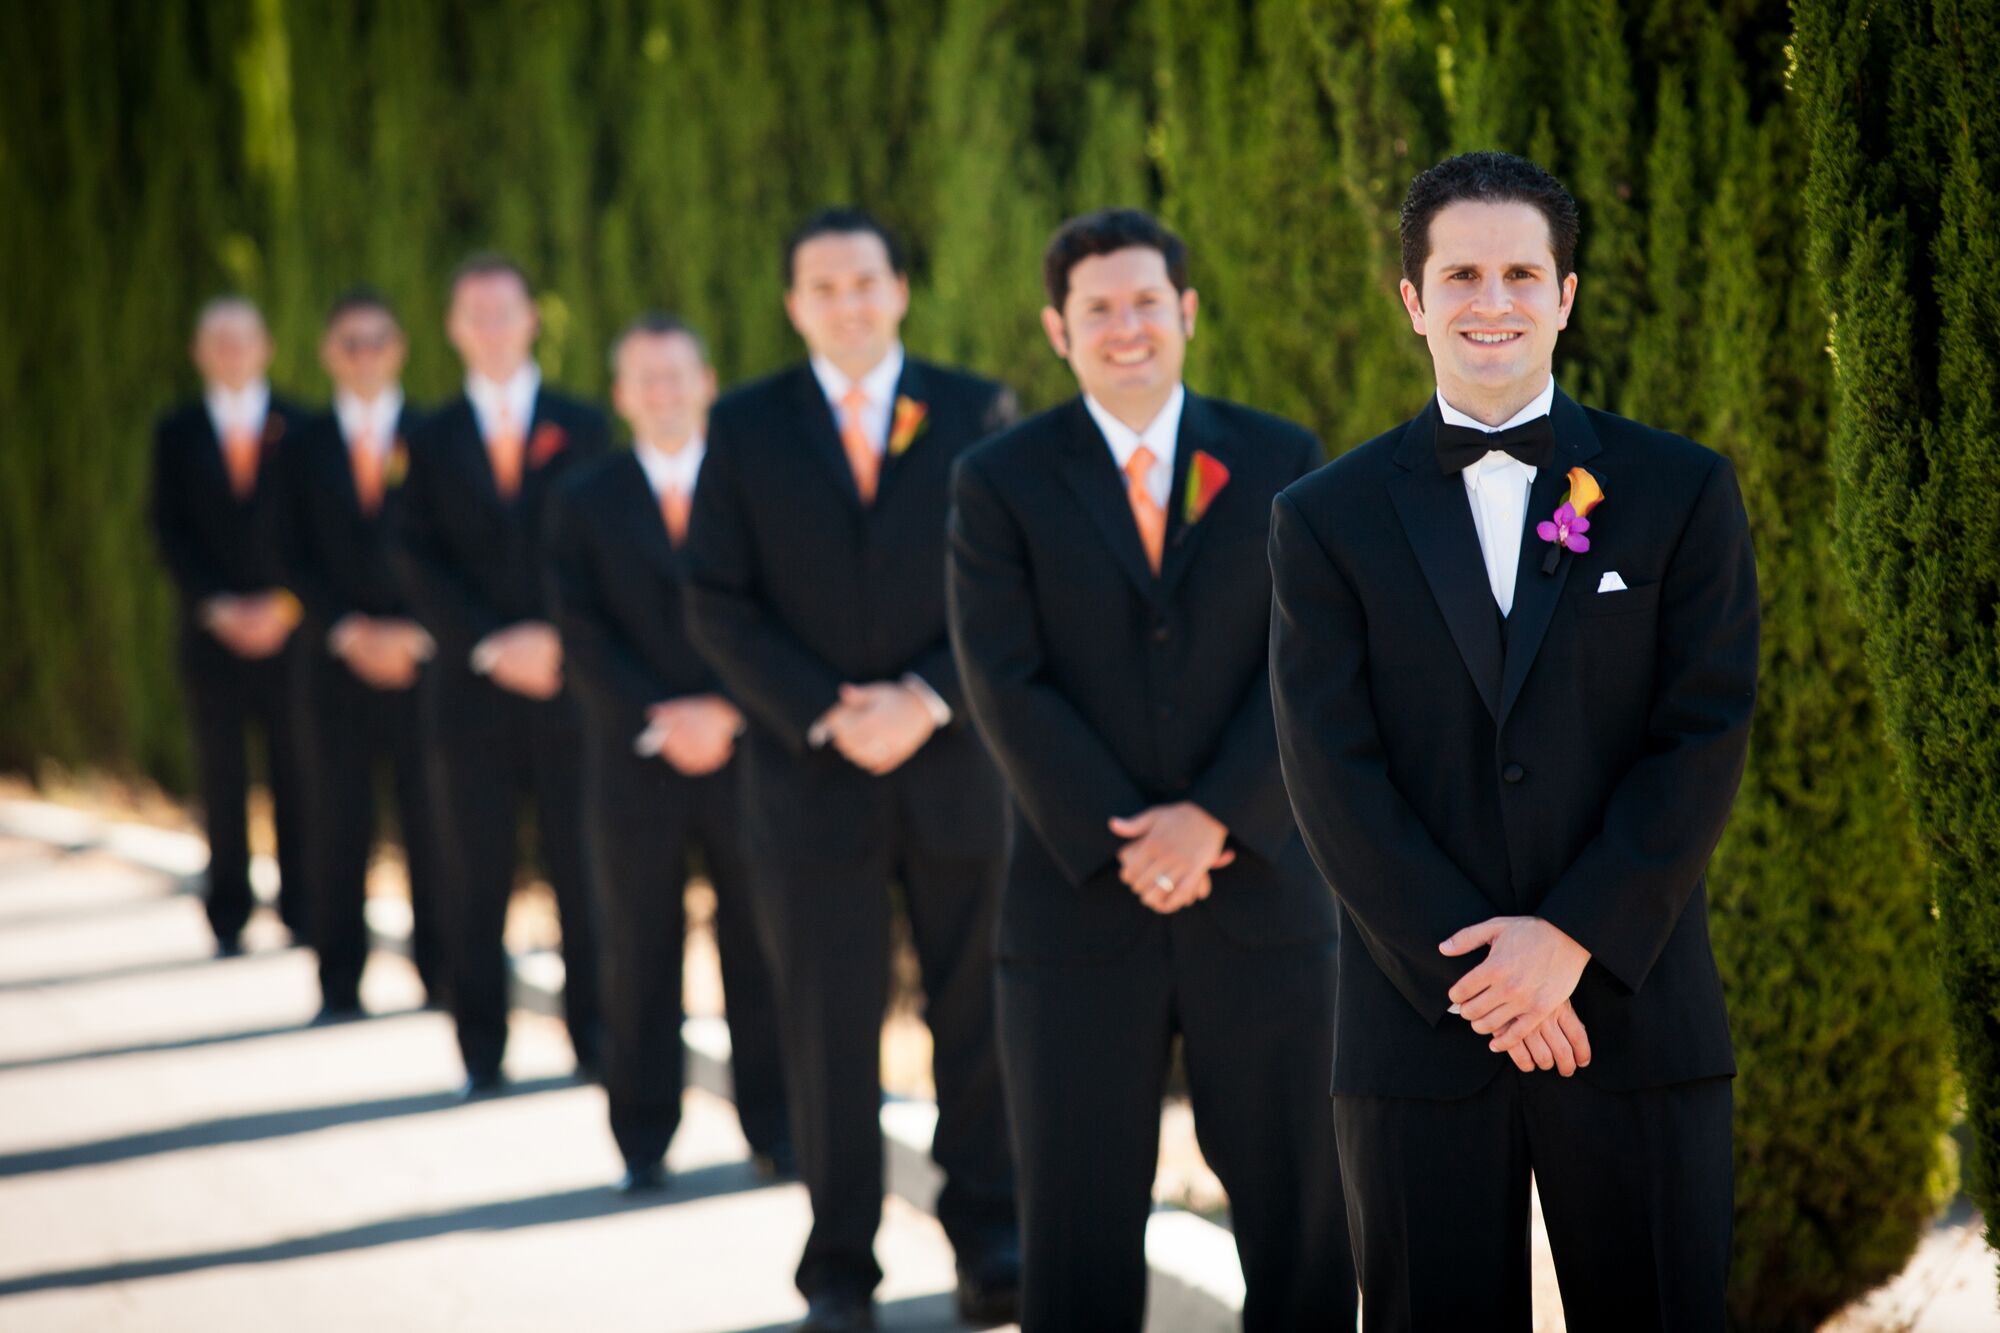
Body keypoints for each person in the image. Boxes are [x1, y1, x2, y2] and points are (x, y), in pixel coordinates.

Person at [1268, 151, 1758, 1329]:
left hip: (1630, 1015)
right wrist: (1483, 980)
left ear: (1564, 294)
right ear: (1412, 299)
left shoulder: (1676, 490)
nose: (1491, 301)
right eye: (1460, 274)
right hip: (1416, 1026)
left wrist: (1573, 937)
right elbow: (1330, 771)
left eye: (1519, 273)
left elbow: (1700, 732)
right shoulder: (1321, 519)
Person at [947, 208, 1355, 1332]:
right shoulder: (997, 480)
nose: (1123, 327)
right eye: (1096, 309)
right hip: (1078, 905)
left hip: (1264, 899)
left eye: (1143, 302)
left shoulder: (1281, 460)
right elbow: (1002, 679)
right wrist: (1133, 835)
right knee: (1073, 1228)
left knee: (1303, 1216)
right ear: (1054, 328)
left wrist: (1215, 818)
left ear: (1184, 313)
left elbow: (1311, 667)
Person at [683, 209, 1019, 1332]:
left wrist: (924, 697)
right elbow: (716, 600)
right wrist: (828, 712)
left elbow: (1007, 593)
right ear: (793, 306)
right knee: (827, 1026)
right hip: (808, 776)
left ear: (899, 289)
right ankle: (838, 1268)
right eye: (821, 286)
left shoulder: (976, 411)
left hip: (955, 767)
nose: (847, 302)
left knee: (973, 1011)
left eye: (864, 280)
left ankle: (991, 1241)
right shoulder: (741, 427)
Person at [544, 314, 792, 1193]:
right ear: (621, 395)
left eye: (677, 375)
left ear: (707, 381)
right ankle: (643, 1134)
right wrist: (665, 714)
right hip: (633, 759)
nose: (662, 392)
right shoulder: (584, 497)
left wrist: (727, 710)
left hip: (747, 750)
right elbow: (579, 628)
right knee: (637, 948)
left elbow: (777, 610)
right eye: (644, 378)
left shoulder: (755, 485)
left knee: (758, 944)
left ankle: (776, 1125)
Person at [395, 253, 610, 1097]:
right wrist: (490, 642)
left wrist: (558, 641)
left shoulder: (583, 424)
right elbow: (414, 557)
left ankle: (595, 1035)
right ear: (454, 328)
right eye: (473, 314)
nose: (490, 327)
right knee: (472, 873)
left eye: (505, 311)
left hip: (568, 690)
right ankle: (480, 1045)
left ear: (533, 319)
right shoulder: (428, 436)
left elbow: (600, 544)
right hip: (470, 694)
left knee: (582, 869)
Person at [272, 288, 444, 1020]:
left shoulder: (437, 436)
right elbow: (283, 550)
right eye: (350, 342)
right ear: (328, 354)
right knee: (335, 824)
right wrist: (347, 628)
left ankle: (444, 974)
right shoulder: (301, 445)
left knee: (435, 822)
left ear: (400, 347)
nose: (365, 355)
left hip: (423, 664)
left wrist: (416, 632)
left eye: (377, 341)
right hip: (332, 666)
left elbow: (454, 550)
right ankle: (338, 981)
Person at [150, 296, 312, 955]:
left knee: (299, 771)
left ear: (266, 345)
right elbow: (168, 529)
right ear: (198, 352)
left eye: (241, 339)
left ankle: (303, 906)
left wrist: (285, 605)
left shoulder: (300, 427)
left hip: (288, 633)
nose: (230, 352)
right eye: (216, 340)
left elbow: (315, 531)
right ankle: (228, 909)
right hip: (211, 635)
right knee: (219, 774)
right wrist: (217, 605)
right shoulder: (178, 431)